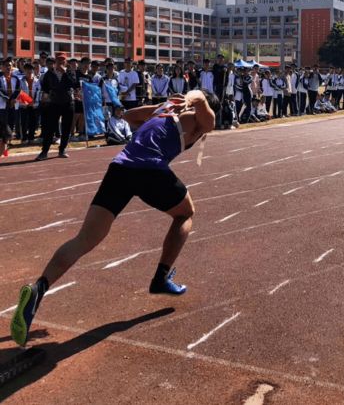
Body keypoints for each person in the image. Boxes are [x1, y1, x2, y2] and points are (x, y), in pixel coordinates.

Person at [10, 89, 220, 347]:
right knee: (186, 213)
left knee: (85, 238)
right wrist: (191, 99)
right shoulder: (202, 120)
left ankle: (38, 288)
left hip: (120, 168)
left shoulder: (163, 111)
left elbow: (130, 115)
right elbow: (202, 103)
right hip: (150, 169)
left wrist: (159, 108)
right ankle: (161, 277)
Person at [36, 52, 78, 160]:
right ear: (55, 61)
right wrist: (45, 96)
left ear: (66, 61)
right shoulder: (49, 74)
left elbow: (74, 84)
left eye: (63, 60)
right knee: (50, 128)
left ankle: (62, 149)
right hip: (54, 103)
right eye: (59, 60)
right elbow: (45, 87)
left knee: (66, 128)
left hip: (68, 103)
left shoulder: (70, 72)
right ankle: (44, 152)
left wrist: (65, 73)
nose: (61, 62)